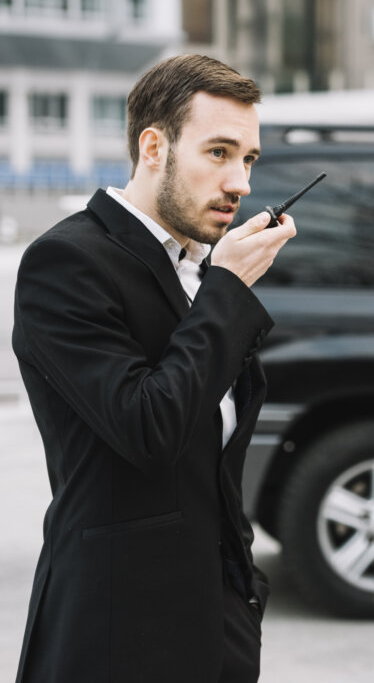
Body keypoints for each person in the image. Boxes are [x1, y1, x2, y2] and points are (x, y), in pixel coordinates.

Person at [12, 54, 296, 683]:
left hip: (217, 623)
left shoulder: (201, 270)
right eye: (219, 152)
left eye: (249, 159)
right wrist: (228, 292)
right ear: (153, 148)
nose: (241, 182)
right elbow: (148, 427)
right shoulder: (67, 263)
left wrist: (242, 591)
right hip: (116, 630)